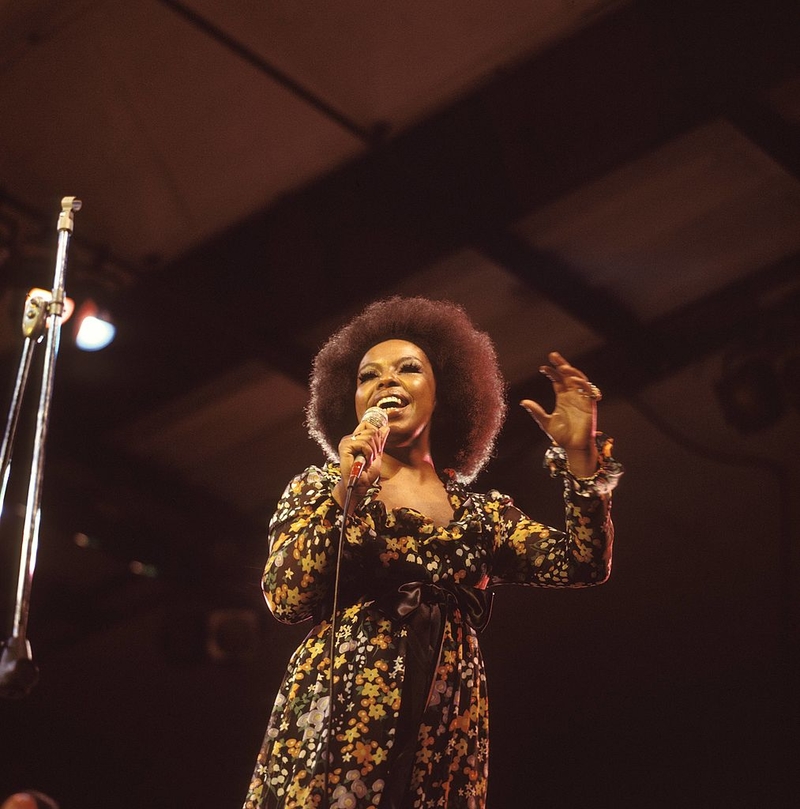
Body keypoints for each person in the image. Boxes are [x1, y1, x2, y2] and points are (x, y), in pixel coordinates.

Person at [243, 297, 622, 809]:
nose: (386, 381)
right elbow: (286, 596)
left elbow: (582, 563)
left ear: (444, 392)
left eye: (409, 368)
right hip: (340, 714)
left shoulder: (480, 514)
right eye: (367, 375)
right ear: (350, 401)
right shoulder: (320, 487)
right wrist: (345, 497)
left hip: (446, 719)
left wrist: (581, 458)